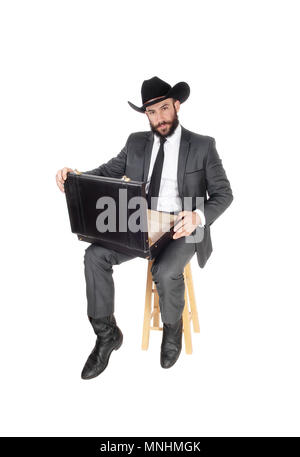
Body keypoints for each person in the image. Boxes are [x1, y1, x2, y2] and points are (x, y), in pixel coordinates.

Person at [56, 76, 233, 380]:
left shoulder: (203, 145)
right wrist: (75, 175)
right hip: (141, 221)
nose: (159, 118)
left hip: (185, 224)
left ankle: (172, 329)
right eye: (151, 113)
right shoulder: (136, 142)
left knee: (164, 271)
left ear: (176, 106)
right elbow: (107, 171)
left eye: (164, 109)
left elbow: (224, 194)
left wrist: (197, 216)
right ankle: (106, 334)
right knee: (94, 256)